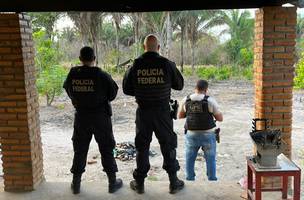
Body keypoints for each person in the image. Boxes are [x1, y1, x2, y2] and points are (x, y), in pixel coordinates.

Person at [123, 34, 184, 194]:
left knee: (142, 147)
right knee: (168, 144)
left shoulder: (135, 65)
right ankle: (173, 182)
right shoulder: (166, 64)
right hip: (163, 113)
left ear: (144, 47)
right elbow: (179, 85)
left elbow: (127, 89)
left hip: (143, 112)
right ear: (158, 48)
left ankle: (140, 183)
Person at [63, 46, 122, 194]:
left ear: (80, 59)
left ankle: (76, 184)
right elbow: (113, 93)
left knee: (80, 149)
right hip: (100, 117)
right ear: (94, 59)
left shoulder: (73, 73)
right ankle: (112, 182)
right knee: (106, 148)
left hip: (81, 117)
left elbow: (68, 89)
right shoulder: (101, 74)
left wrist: (77, 99)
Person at [178, 79, 223, 181]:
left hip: (191, 134)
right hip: (208, 134)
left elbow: (180, 116)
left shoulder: (186, 100)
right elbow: (220, 118)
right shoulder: (210, 101)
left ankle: (190, 179)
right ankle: (212, 180)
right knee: (210, 159)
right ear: (206, 90)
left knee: (190, 159)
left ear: (195, 88)